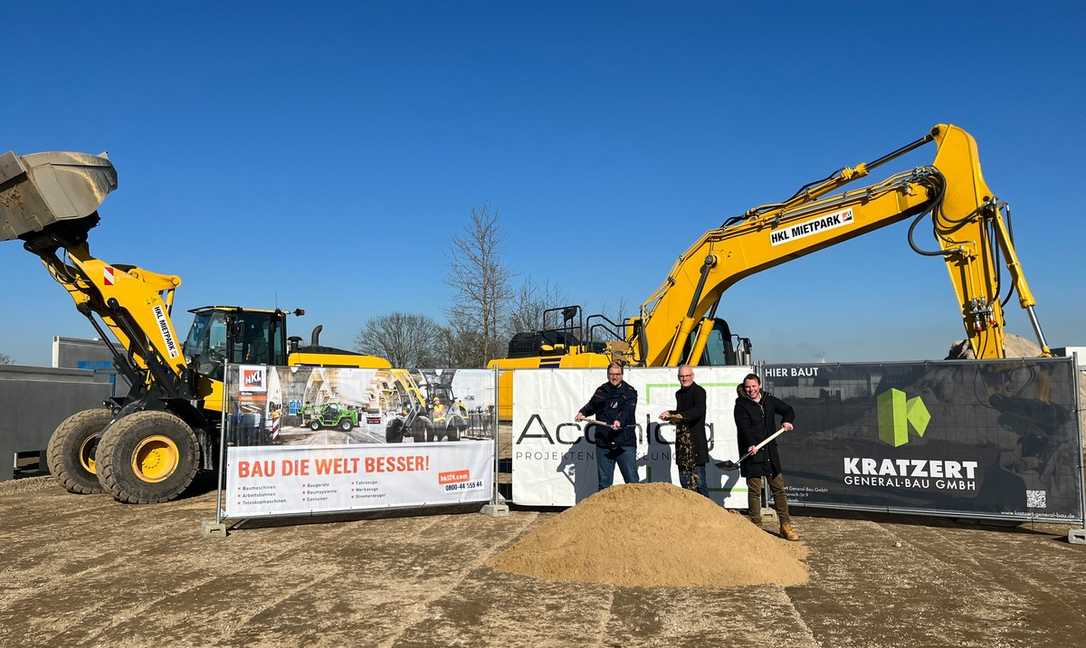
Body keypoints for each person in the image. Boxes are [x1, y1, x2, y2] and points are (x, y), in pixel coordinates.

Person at [734, 372, 799, 541]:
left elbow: (788, 410)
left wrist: (787, 420)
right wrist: (751, 443)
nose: (751, 390)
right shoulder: (741, 405)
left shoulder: (768, 400)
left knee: (778, 489)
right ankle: (756, 527)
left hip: (770, 452)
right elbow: (743, 427)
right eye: (748, 387)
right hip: (752, 452)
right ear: (744, 388)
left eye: (754, 386)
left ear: (759, 385)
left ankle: (785, 526)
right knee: (754, 490)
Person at [575, 363, 638, 491]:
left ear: (622, 375)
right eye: (612, 374)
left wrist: (619, 421)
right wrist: (582, 413)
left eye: (617, 374)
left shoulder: (630, 392)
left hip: (624, 443)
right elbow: (592, 405)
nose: (614, 377)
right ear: (607, 375)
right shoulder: (601, 390)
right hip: (603, 443)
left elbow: (628, 411)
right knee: (604, 484)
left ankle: (637, 504)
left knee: (632, 482)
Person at [658, 365, 709, 496]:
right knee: (685, 484)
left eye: (687, 376)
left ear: (692, 376)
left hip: (696, 445)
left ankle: (707, 509)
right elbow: (681, 412)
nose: (684, 379)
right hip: (682, 445)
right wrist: (670, 413)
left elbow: (698, 411)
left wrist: (678, 416)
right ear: (678, 378)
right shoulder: (679, 393)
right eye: (681, 376)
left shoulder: (699, 392)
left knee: (700, 485)